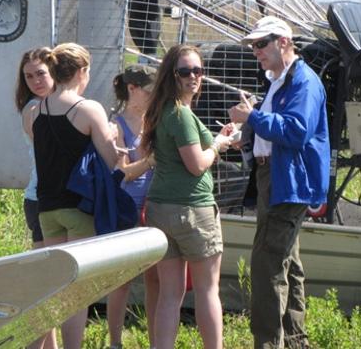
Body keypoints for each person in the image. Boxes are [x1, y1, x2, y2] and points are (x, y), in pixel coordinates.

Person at [229, 16, 330, 349]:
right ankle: (295, 341)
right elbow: (282, 127)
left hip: (286, 180)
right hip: (277, 177)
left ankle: (269, 343)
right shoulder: (280, 80)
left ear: (283, 42)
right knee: (287, 262)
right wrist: (250, 125)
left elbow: (296, 130)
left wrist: (253, 117)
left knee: (267, 264)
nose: (255, 51)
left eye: (261, 44)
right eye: (253, 45)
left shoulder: (303, 81)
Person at [25, 42, 119, 349]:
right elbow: (111, 161)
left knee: (54, 284)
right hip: (78, 208)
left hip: (46, 210)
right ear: (82, 71)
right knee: (75, 291)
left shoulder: (35, 110)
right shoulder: (87, 108)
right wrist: (113, 138)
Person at [141, 45, 233, 349]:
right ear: (172, 75)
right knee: (208, 290)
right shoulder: (180, 114)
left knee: (170, 293)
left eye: (198, 70)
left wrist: (218, 139)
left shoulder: (164, 110)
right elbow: (196, 165)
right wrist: (218, 146)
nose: (193, 76)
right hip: (192, 210)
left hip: (160, 211)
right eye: (185, 71)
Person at [106, 64, 159, 349]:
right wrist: (152, 159)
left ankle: (155, 341)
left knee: (155, 280)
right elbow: (124, 172)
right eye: (150, 91)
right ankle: (115, 342)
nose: (154, 97)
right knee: (122, 281)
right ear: (132, 89)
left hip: (154, 208)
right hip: (127, 209)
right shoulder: (116, 126)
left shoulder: (154, 121)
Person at [15, 47, 58, 349]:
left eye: (40, 73)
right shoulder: (35, 108)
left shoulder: (57, 104)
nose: (35, 81)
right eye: (29, 76)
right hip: (41, 199)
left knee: (52, 282)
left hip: (49, 199)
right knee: (49, 283)